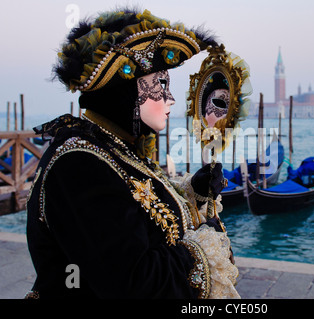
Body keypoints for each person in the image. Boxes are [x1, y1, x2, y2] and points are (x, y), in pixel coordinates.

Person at [25, 8, 239, 299]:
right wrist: (201, 247)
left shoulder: (113, 146)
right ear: (124, 92)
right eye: (159, 87)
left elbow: (135, 203)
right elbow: (134, 283)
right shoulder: (78, 165)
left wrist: (193, 191)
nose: (170, 100)